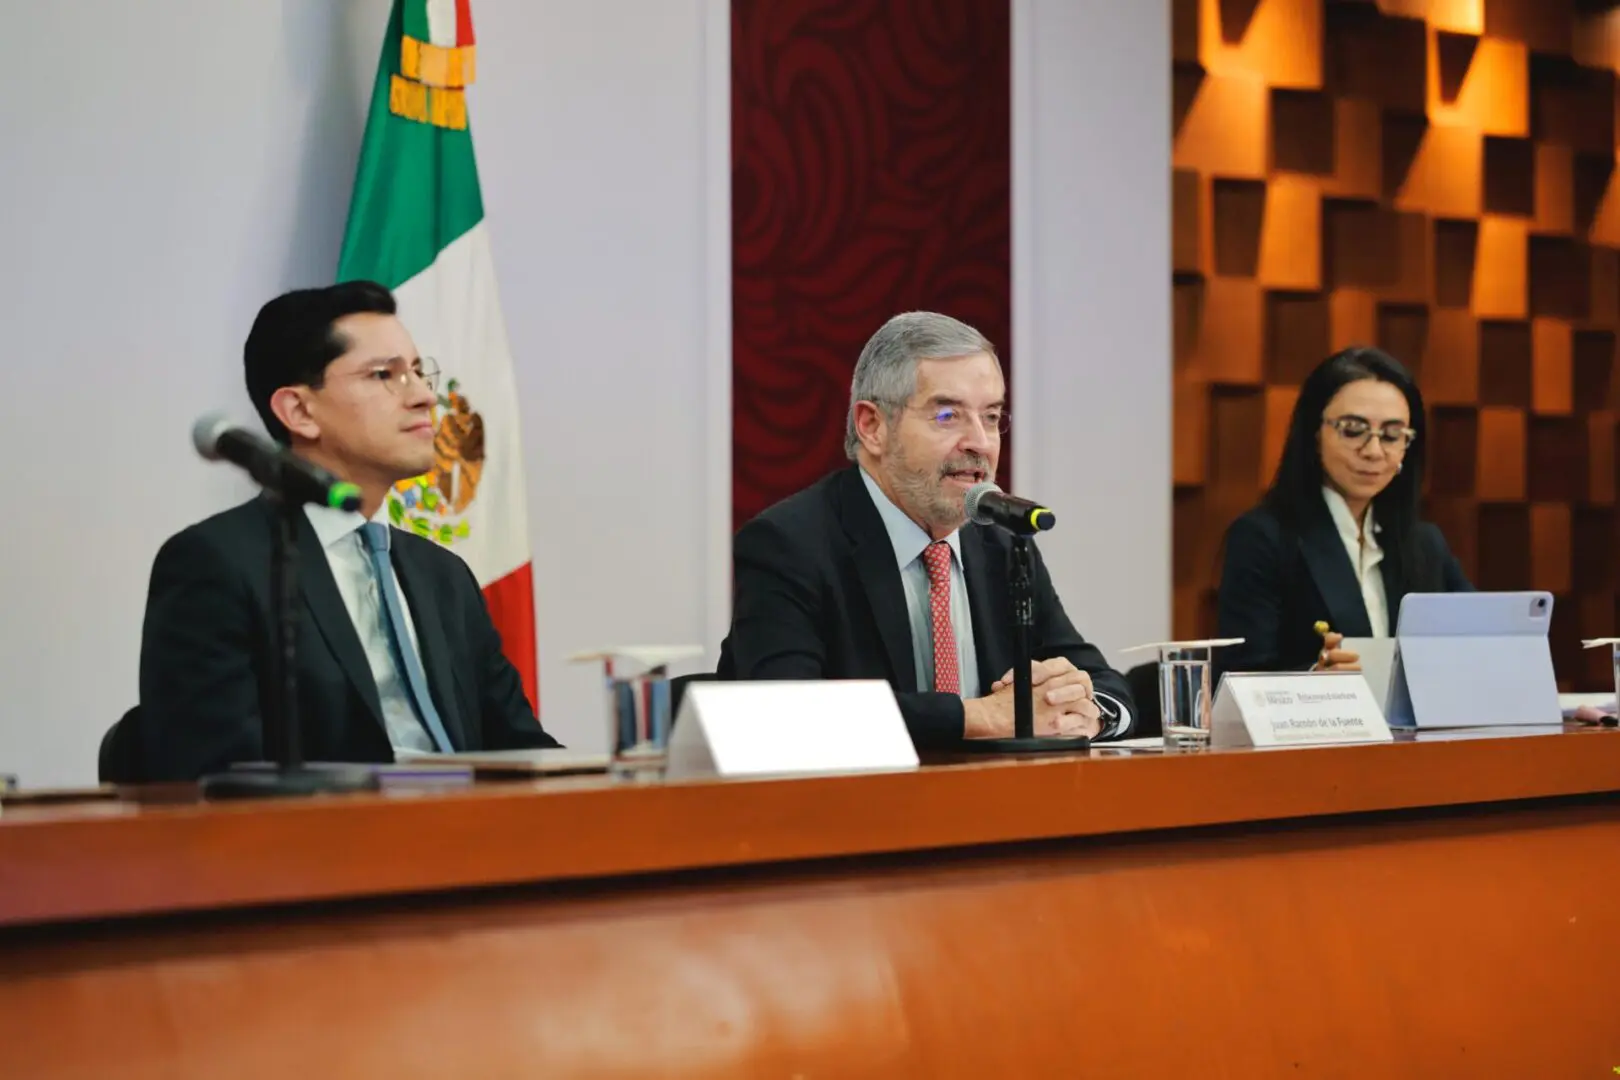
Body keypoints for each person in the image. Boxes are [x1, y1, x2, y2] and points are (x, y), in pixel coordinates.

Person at [138, 281, 559, 781]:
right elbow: (215, 782)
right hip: (330, 846)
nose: (425, 397)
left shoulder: (443, 575)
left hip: (471, 840)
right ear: (299, 411)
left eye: (420, 372)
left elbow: (521, 749)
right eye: (385, 375)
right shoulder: (219, 564)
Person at [718, 311, 1134, 747]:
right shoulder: (790, 543)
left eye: (991, 418)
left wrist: (1089, 714)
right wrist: (977, 718)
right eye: (948, 416)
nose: (980, 442)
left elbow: (1100, 680)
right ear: (872, 426)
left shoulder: (1002, 542)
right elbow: (785, 710)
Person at [1217, 345, 1472, 675]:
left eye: (1393, 435)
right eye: (1353, 430)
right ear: (1314, 433)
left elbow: (1478, 637)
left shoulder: (1425, 543)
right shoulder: (1263, 537)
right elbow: (1238, 677)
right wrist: (1312, 680)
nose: (1374, 451)